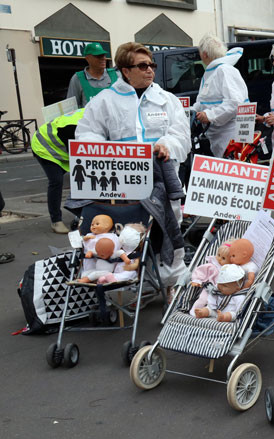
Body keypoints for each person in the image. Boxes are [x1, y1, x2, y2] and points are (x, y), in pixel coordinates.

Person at [75, 41, 191, 286]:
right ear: (125, 71)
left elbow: (181, 134)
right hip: (125, 185)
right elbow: (87, 134)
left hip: (162, 180)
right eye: (142, 66)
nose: (150, 70)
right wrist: (108, 154)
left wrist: (167, 145)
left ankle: (173, 285)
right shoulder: (104, 101)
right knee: (130, 236)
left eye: (152, 65)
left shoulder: (167, 100)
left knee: (170, 231)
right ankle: (143, 286)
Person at [192, 35, 249, 157]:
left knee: (232, 171)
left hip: (230, 137)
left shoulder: (224, 70)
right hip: (217, 137)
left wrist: (210, 115)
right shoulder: (211, 73)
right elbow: (202, 101)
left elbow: (235, 103)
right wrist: (192, 111)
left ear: (205, 54)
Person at [31, 109, 84, 233]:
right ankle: (56, 221)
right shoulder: (76, 126)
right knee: (56, 181)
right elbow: (79, 154)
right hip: (43, 144)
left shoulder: (93, 115)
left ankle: (84, 213)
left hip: (60, 146)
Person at [66, 43, 118, 108]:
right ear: (88, 58)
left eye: (104, 55)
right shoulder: (78, 79)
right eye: (98, 56)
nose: (103, 58)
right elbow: (71, 108)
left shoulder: (115, 75)